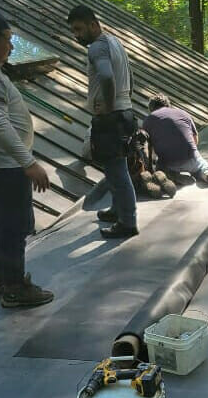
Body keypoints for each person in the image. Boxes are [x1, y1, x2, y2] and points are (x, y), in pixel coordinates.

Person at [0, 9, 54, 307]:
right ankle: (15, 288)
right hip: (3, 166)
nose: (12, 46)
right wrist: (28, 163)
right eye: (7, 40)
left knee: (1, 220)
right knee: (15, 225)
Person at [68, 5, 138, 239]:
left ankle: (128, 222)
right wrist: (123, 100)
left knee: (117, 172)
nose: (76, 35)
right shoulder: (114, 41)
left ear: (93, 24)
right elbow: (129, 75)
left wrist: (108, 106)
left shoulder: (97, 47)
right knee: (115, 168)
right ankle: (117, 210)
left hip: (112, 117)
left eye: (79, 29)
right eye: (73, 31)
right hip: (125, 111)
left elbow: (107, 76)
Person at [142, 94, 208, 185]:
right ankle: (207, 173)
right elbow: (195, 139)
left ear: (151, 108)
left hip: (169, 163)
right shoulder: (183, 113)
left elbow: (148, 149)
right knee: (201, 165)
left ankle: (173, 176)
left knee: (160, 170)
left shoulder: (148, 120)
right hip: (191, 159)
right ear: (168, 105)